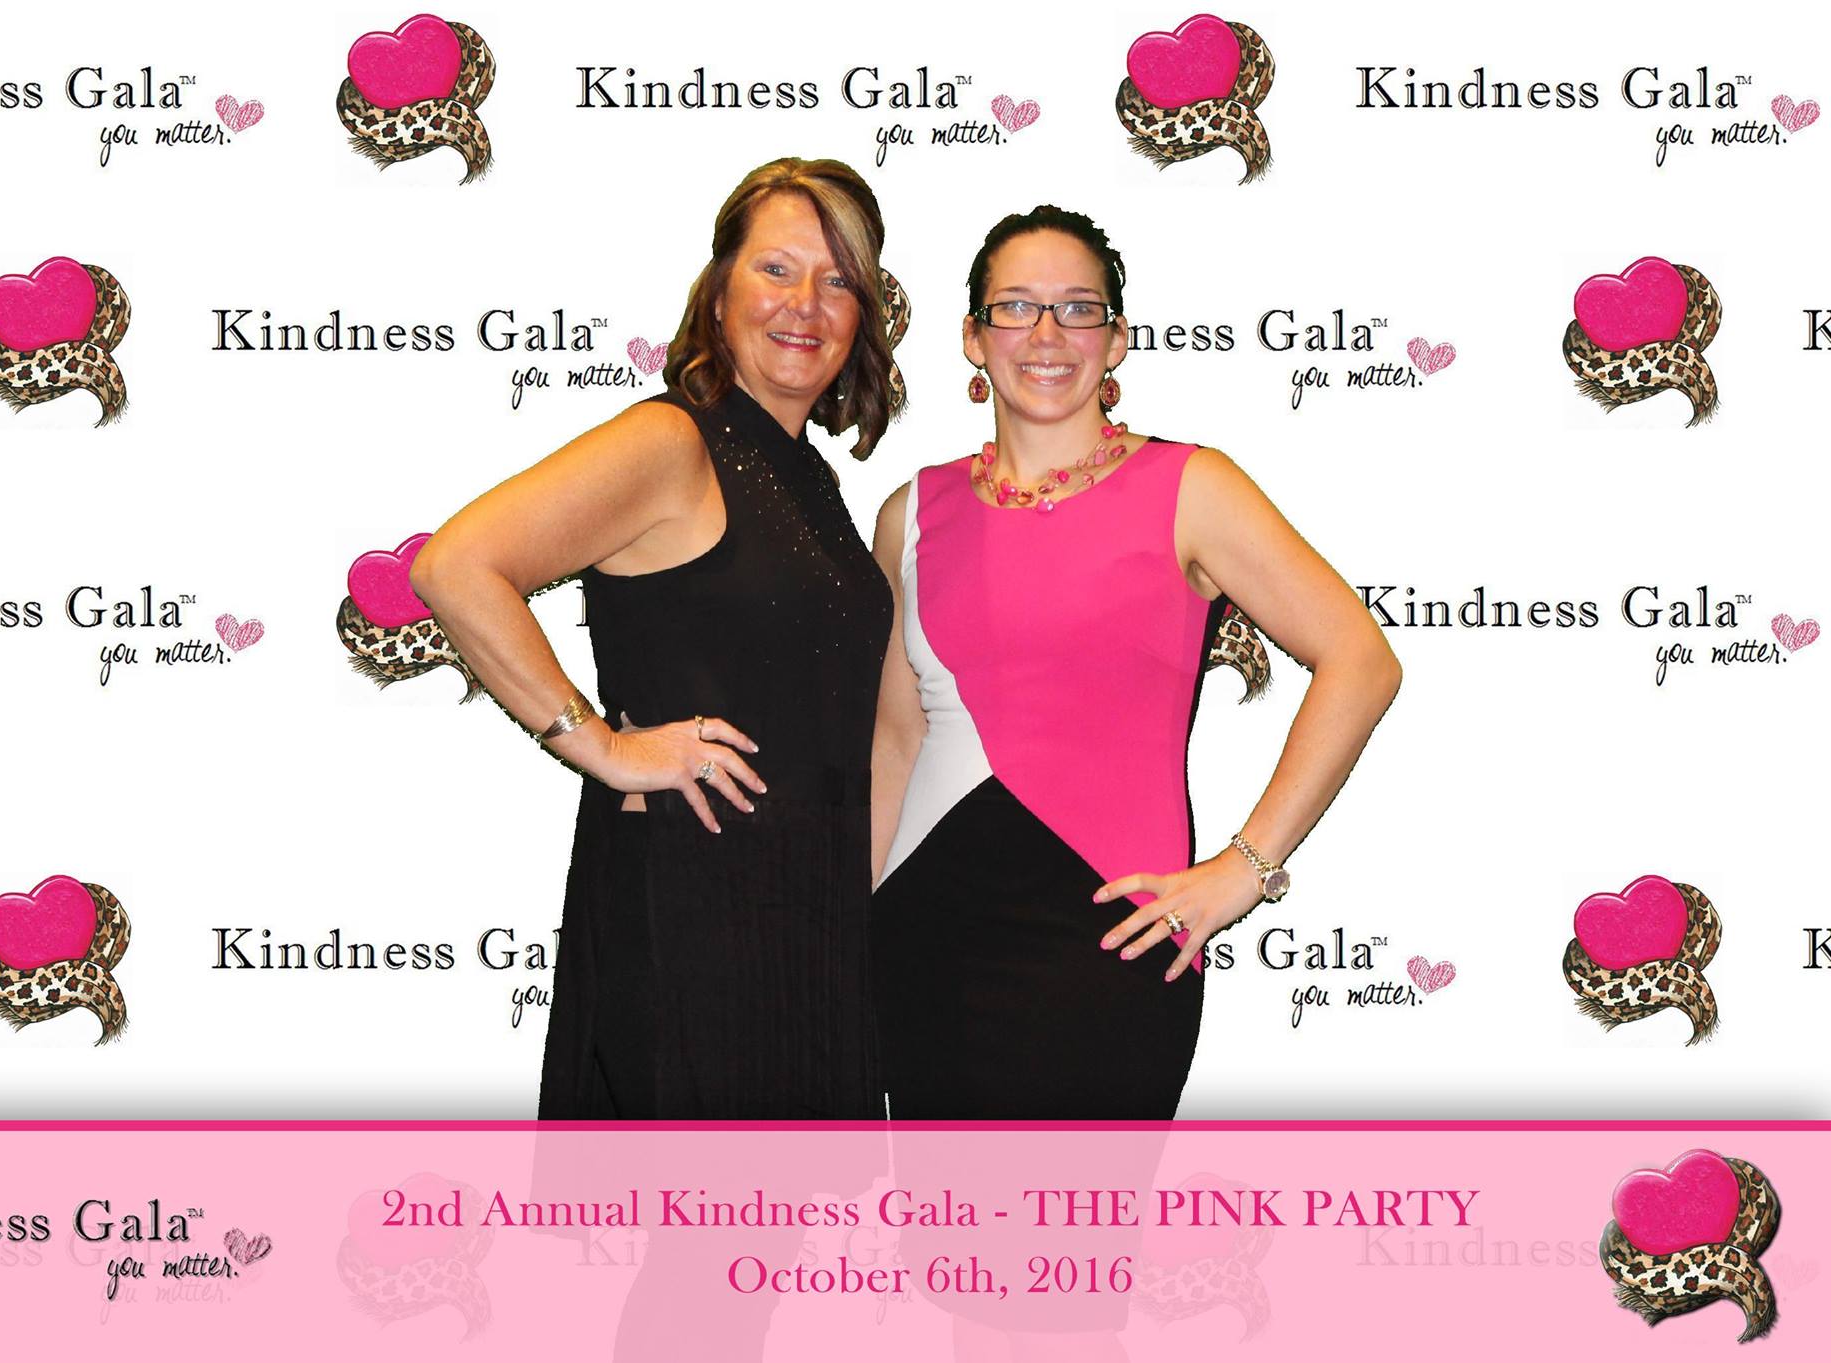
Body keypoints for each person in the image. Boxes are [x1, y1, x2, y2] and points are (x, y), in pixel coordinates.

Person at [870, 206, 1403, 1120]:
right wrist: (848, 929)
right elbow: (896, 739)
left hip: (1108, 948)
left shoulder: (1192, 487)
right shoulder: (910, 513)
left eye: (1078, 308)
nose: (1047, 334)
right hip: (924, 939)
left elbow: (1362, 659)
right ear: (972, 337)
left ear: (1115, 340)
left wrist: (1245, 868)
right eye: (1015, 307)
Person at [410, 158, 900, 1118]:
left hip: (810, 915)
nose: (805, 303)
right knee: (698, 1212)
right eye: (776, 269)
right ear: (718, 292)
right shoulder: (674, 442)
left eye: (838, 280)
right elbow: (456, 565)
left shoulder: (813, 478)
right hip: (695, 911)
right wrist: (599, 745)